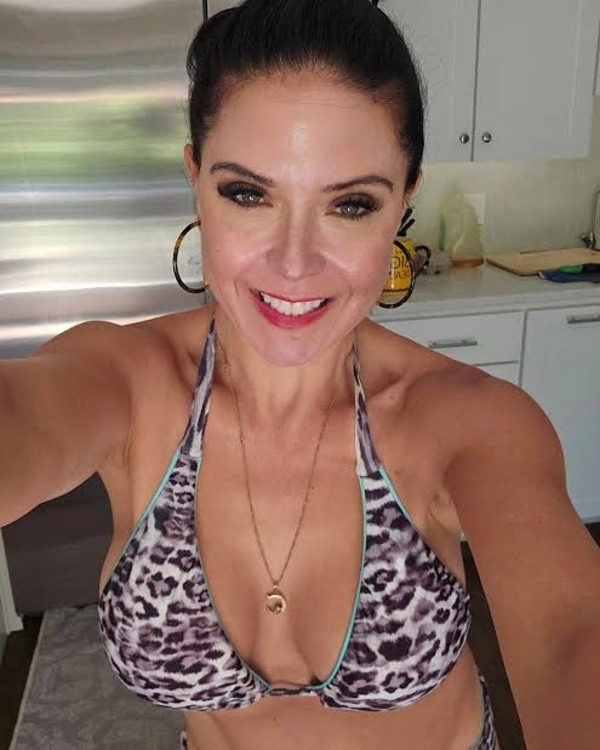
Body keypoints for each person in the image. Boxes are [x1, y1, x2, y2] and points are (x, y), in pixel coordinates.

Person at [1, 1, 599, 748]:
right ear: (196, 178)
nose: (293, 263)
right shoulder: (125, 383)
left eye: (351, 205)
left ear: (404, 201)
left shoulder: (466, 420)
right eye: (248, 194)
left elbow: (571, 633)